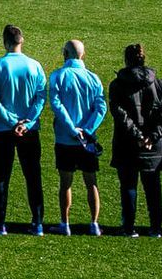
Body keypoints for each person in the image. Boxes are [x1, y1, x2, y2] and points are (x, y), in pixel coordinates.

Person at [0, 23, 48, 235]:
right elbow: (41, 98)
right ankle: (37, 222)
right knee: (33, 175)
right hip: (30, 130)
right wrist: (27, 122)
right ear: (22, 41)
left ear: (5, 42)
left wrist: (12, 121)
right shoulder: (35, 66)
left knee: (1, 176)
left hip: (2, 129)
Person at [109, 42, 162, 238]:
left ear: (126, 60)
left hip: (127, 142)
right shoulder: (160, 84)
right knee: (153, 186)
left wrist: (137, 136)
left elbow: (120, 114)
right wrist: (151, 137)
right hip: (154, 145)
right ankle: (156, 227)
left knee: (128, 185)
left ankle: (128, 227)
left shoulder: (117, 85)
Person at [48, 38, 107, 236]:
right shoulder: (93, 78)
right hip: (87, 140)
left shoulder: (58, 76)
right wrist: (87, 129)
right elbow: (101, 107)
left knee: (65, 183)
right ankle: (94, 224)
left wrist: (73, 129)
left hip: (65, 138)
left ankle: (65, 224)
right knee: (91, 182)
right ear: (83, 54)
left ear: (65, 54)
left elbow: (57, 106)